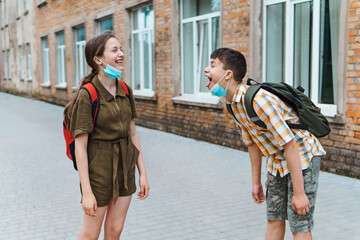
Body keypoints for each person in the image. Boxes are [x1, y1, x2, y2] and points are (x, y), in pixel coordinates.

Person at [204, 48, 325, 240]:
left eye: (212, 65)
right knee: (274, 219)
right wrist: (256, 182)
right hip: (277, 163)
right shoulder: (233, 105)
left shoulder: (259, 100)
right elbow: (252, 144)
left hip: (302, 157)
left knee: (299, 222)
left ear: (228, 74)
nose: (206, 70)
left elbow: (290, 145)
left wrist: (299, 193)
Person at [63, 31, 149, 240]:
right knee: (90, 235)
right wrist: (87, 192)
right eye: (114, 50)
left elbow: (133, 134)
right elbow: (80, 147)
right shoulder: (88, 94)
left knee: (115, 230)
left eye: (121, 49)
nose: (121, 54)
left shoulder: (126, 90)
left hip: (125, 169)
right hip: (98, 171)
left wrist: (142, 173)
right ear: (98, 60)